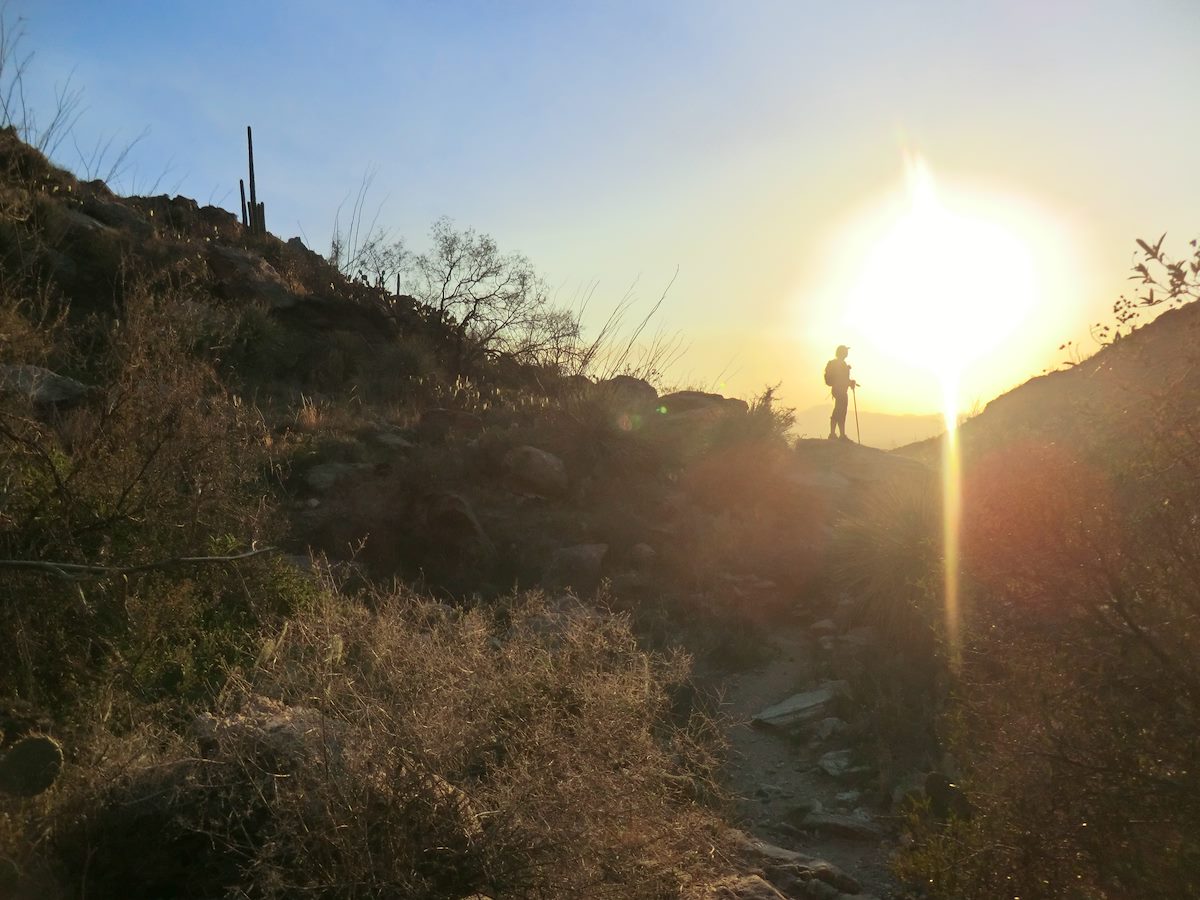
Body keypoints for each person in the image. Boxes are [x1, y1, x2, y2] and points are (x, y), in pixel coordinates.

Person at [823, 344, 857, 440]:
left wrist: (849, 382)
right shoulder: (841, 364)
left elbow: (841, 379)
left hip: (837, 390)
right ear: (843, 352)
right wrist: (850, 383)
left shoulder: (838, 363)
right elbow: (841, 379)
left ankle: (835, 434)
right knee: (840, 411)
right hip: (840, 390)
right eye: (846, 351)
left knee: (838, 410)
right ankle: (839, 434)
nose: (847, 353)